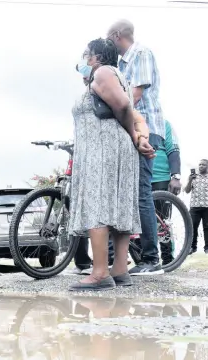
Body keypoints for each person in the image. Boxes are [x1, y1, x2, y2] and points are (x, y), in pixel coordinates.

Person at [69, 38, 155, 291]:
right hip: (113, 149)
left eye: (87, 55)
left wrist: (134, 136)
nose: (84, 60)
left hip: (104, 150)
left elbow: (123, 106)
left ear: (97, 56)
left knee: (99, 204)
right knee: (118, 205)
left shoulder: (104, 72)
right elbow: (136, 116)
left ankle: (99, 273)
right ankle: (119, 270)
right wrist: (140, 137)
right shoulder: (117, 77)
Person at [108, 19, 165, 276]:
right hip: (131, 132)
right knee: (128, 193)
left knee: (141, 193)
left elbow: (134, 95)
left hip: (147, 129)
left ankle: (152, 259)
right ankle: (125, 257)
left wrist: (111, 103)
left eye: (109, 38)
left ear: (118, 35)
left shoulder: (140, 53)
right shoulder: (119, 64)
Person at [149, 120, 182, 264]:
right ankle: (146, 259)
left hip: (160, 177)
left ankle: (168, 259)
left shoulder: (164, 124)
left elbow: (173, 149)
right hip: (138, 177)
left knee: (163, 222)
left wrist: (175, 176)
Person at [184, 159, 208, 254]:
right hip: (195, 206)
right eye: (200, 164)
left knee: (207, 227)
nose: (201, 166)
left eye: (203, 165)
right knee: (192, 227)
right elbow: (187, 190)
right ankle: (192, 247)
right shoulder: (193, 177)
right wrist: (190, 180)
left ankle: (207, 248)